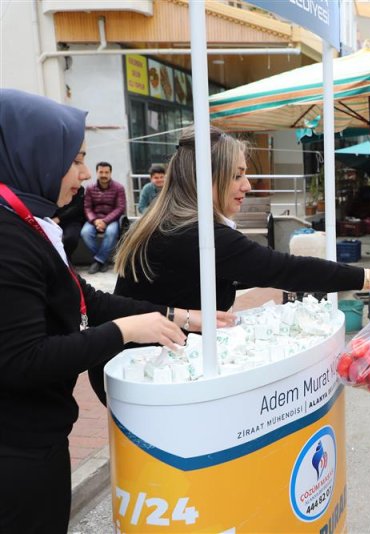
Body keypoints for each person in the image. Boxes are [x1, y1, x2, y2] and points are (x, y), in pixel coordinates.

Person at [0, 89, 233, 532]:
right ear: (32, 154)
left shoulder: (32, 225)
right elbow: (23, 361)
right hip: (16, 454)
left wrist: (178, 317)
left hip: (38, 440)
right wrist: (124, 332)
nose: (86, 173)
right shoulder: (9, 240)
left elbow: (86, 298)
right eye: (75, 160)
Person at [110, 127, 370, 400]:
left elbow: (253, 269)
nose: (247, 185)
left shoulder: (175, 225)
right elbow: (281, 269)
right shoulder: (197, 234)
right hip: (147, 380)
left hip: (140, 367)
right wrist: (368, 278)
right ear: (209, 179)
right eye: (237, 175)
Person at [81, 161, 126, 274]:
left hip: (111, 220)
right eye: (101, 172)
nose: (104, 175)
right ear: (97, 172)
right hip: (94, 219)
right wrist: (95, 221)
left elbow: (120, 208)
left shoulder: (119, 187)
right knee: (85, 233)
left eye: (106, 172)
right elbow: (87, 207)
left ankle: (98, 261)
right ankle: (102, 260)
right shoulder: (90, 188)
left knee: (111, 233)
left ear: (110, 173)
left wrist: (105, 221)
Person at [52, 183, 86, 260]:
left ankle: (66, 261)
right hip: (53, 219)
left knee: (71, 238)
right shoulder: (52, 187)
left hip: (71, 221)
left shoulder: (79, 188)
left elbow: (77, 208)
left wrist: (59, 218)